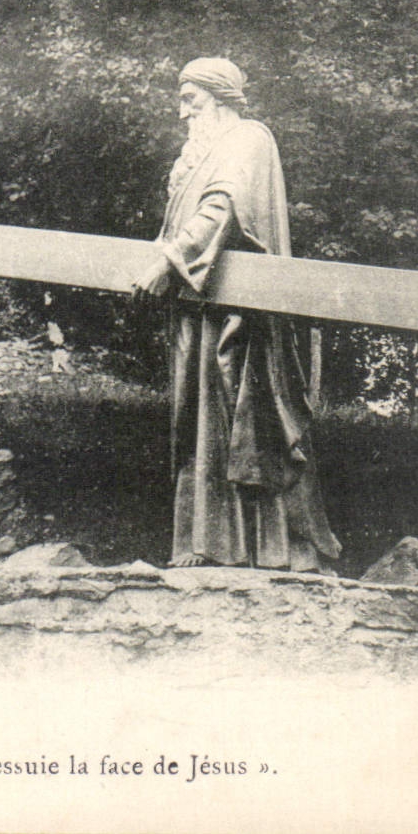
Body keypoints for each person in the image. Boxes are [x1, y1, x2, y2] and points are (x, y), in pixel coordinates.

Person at [130, 57, 340, 572]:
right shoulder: (199, 155)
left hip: (238, 319)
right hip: (197, 309)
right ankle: (210, 543)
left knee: (244, 418)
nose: (182, 115)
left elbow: (222, 208)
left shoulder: (247, 138)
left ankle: (269, 550)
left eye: (191, 101)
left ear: (221, 99)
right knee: (198, 420)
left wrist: (168, 260)